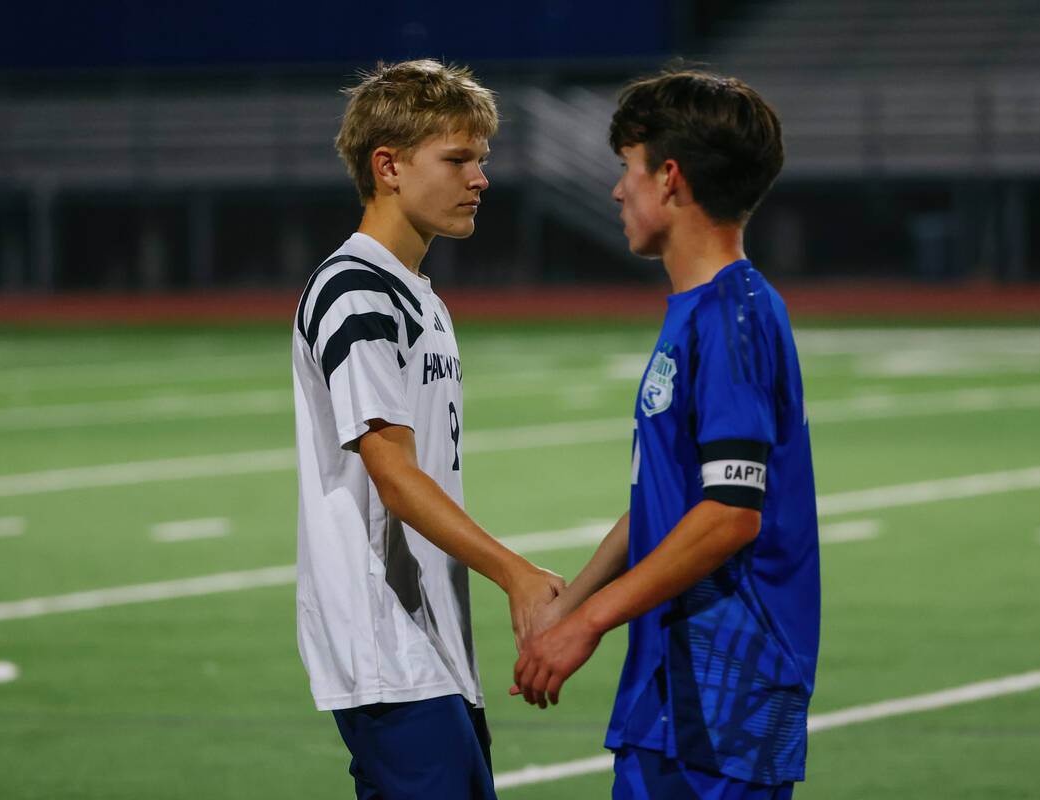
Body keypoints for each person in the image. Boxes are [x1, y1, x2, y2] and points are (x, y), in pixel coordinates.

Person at [511, 68, 821, 800]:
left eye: (628, 168)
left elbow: (728, 515)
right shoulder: (699, 311)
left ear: (670, 178)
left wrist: (588, 623)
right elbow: (673, 498)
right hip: (671, 693)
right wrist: (570, 600)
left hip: (727, 699)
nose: (619, 189)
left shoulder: (732, 317)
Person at [292, 59, 565, 799]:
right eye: (457, 160)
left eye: (481, 160)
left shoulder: (418, 297)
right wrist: (515, 573)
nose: (479, 179)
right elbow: (393, 471)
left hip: (432, 641)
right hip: (386, 641)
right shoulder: (356, 291)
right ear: (388, 166)